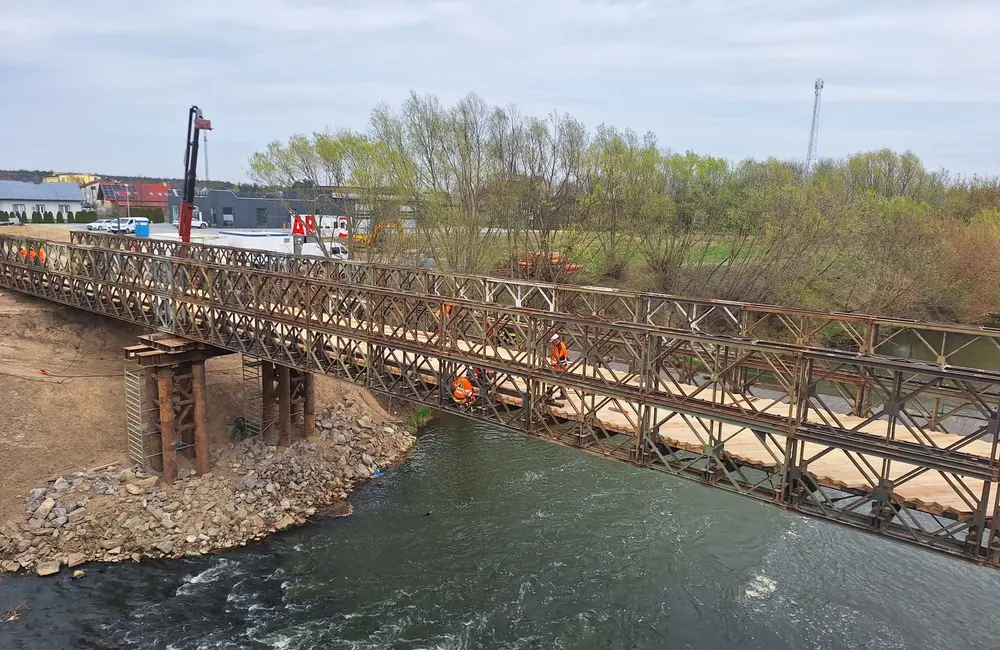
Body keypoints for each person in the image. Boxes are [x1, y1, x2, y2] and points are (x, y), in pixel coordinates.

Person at [548, 333, 568, 401]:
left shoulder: (560, 348)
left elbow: (561, 359)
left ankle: (549, 395)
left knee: (550, 381)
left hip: (559, 368)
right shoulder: (558, 346)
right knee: (561, 381)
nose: (552, 344)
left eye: (553, 342)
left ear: (556, 340)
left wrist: (554, 364)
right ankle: (563, 395)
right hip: (559, 367)